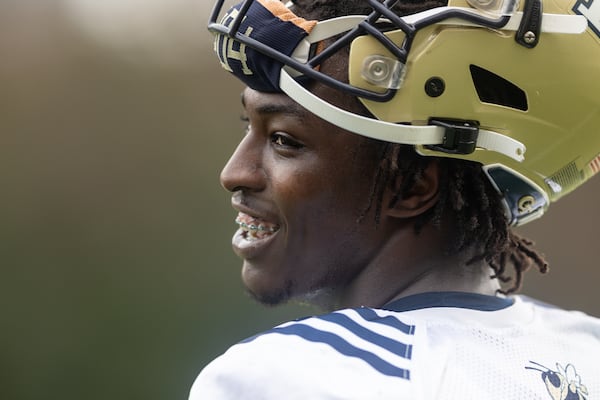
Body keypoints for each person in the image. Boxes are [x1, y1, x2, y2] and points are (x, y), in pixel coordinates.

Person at [191, 0, 600, 398]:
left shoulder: (294, 376)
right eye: (250, 125)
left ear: (413, 185)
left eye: (284, 140)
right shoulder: (587, 348)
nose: (234, 173)